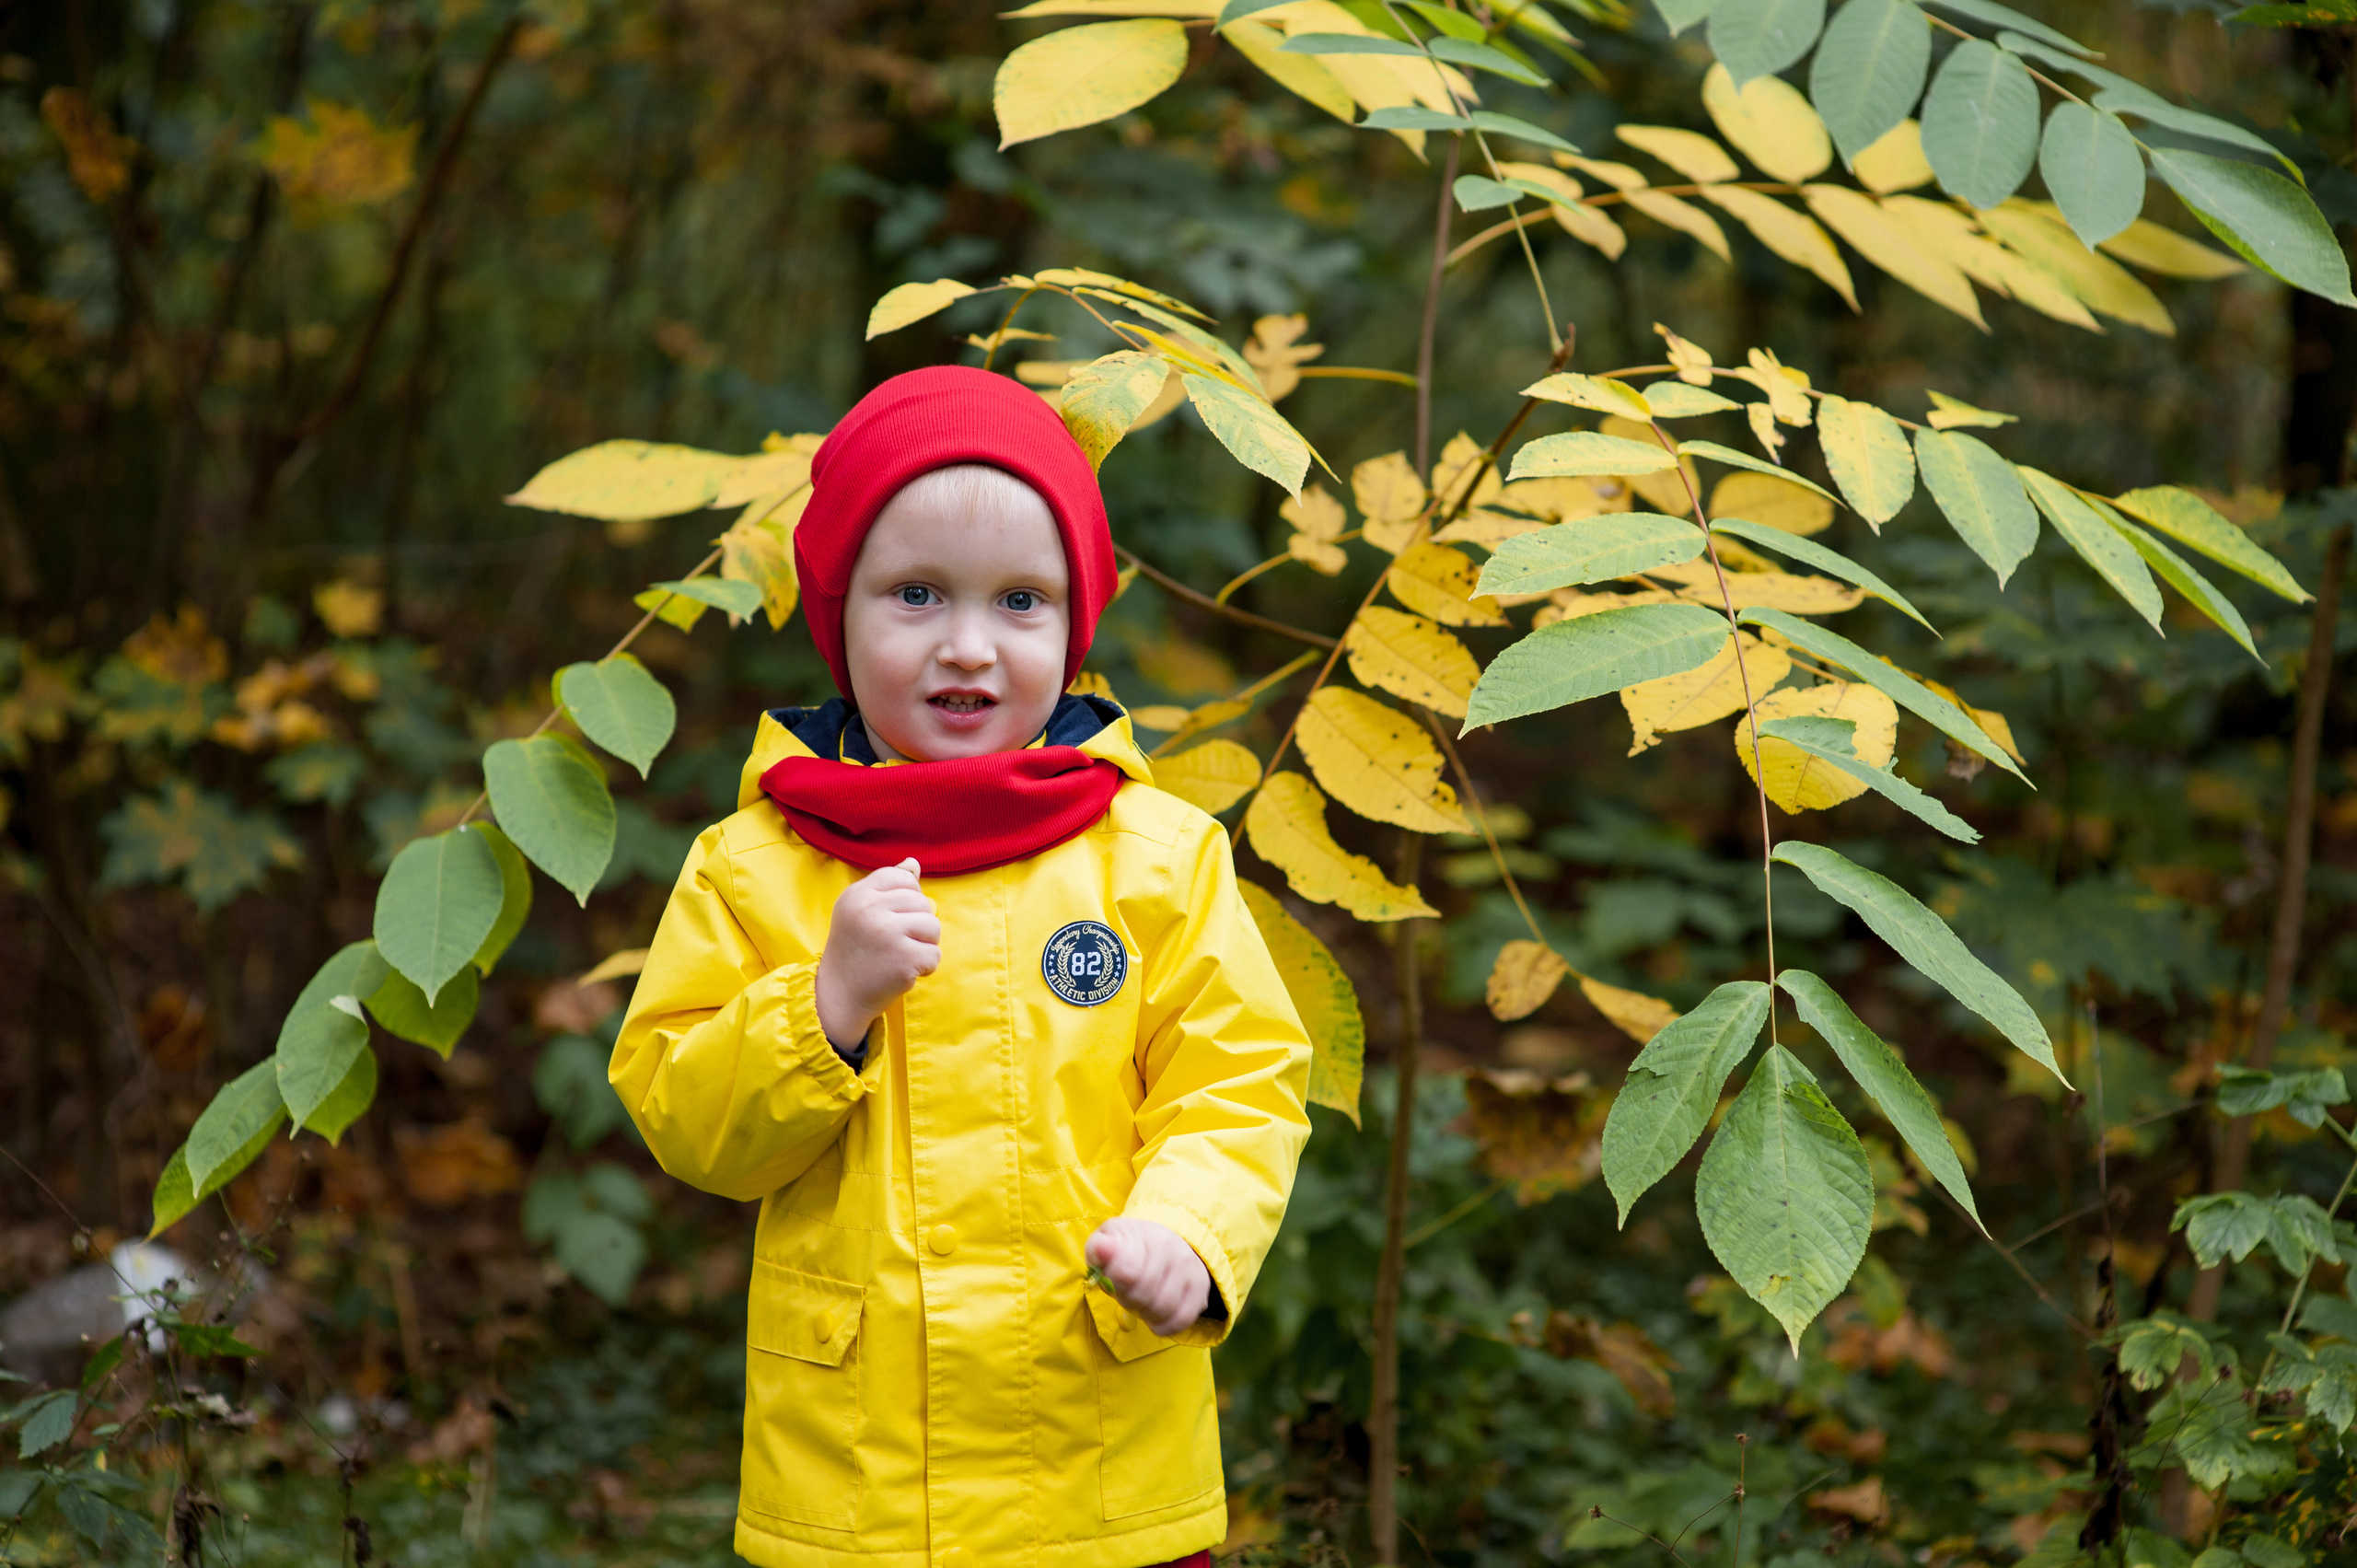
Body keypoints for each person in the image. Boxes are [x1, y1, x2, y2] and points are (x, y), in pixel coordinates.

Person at [610, 365, 1314, 1568]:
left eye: (1022, 601)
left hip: (1100, 1483)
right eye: (918, 595)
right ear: (839, 615)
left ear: (1077, 621)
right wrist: (819, 1010)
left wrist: (1187, 1235)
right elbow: (688, 1125)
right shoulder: (754, 868)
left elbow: (1238, 1087)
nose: (970, 648)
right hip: (861, 1491)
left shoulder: (1156, 856)